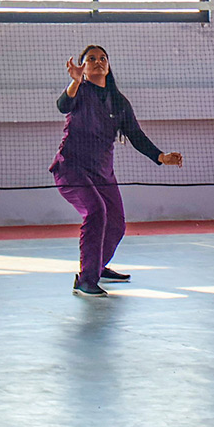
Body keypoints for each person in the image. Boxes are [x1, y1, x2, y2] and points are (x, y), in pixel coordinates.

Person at [52, 45, 182, 297]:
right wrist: (75, 82)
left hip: (102, 173)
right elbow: (62, 105)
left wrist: (161, 156)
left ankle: (96, 267)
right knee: (96, 212)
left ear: (108, 66)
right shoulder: (79, 91)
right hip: (72, 169)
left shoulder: (119, 102)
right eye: (91, 59)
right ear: (83, 67)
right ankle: (85, 280)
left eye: (103, 58)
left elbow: (135, 135)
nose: (98, 62)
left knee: (116, 224)